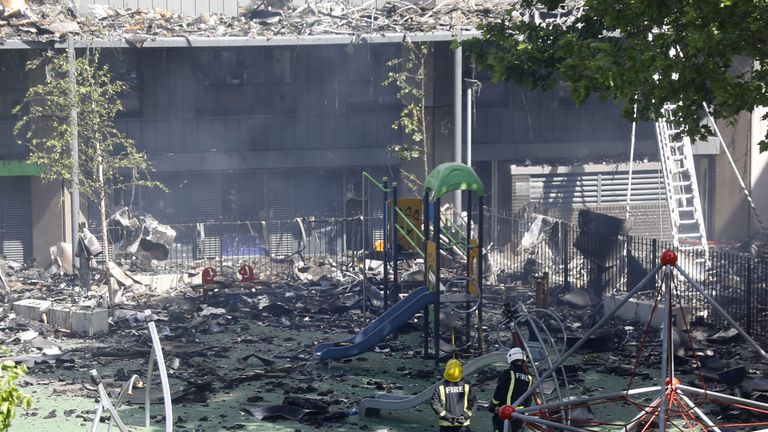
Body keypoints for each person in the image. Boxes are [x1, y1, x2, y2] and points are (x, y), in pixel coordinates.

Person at [488, 347, 533, 432]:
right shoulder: (529, 378)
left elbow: (499, 392)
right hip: (519, 416)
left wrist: (492, 406)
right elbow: (528, 400)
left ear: (511, 358)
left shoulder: (508, 373)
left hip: (505, 413)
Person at [432, 358, 477, 431]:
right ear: (460, 372)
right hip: (463, 425)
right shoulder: (466, 386)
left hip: (446, 425)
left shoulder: (440, 387)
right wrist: (465, 416)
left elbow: (435, 404)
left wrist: (447, 416)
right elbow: (474, 403)